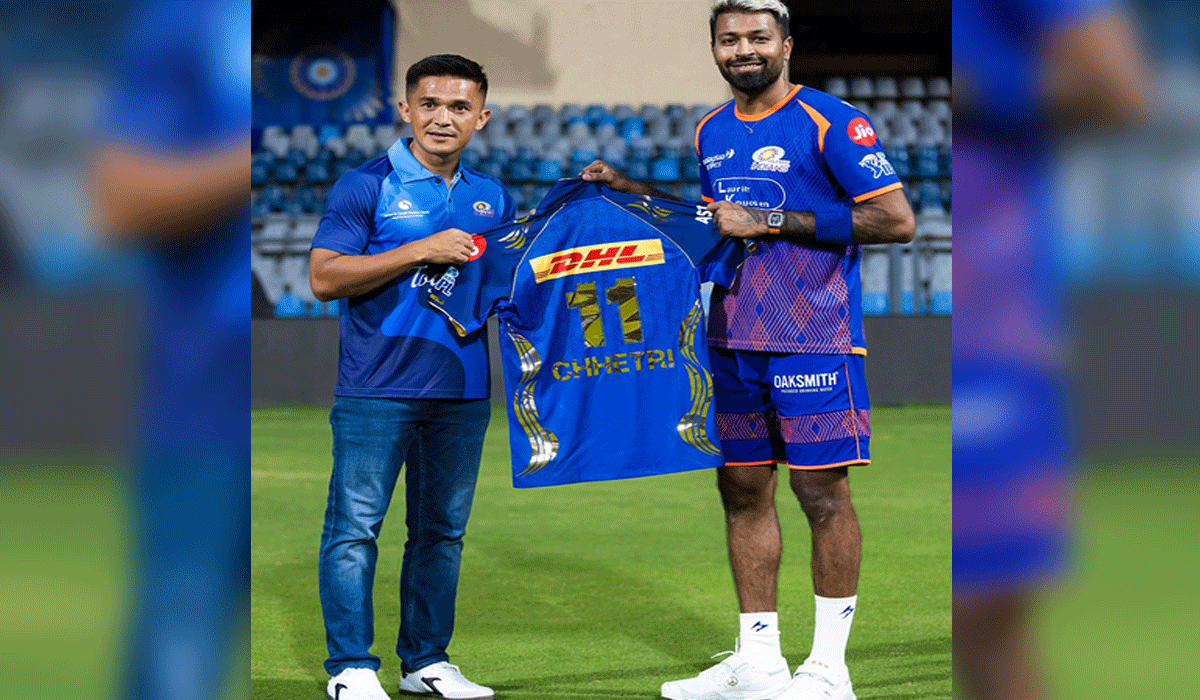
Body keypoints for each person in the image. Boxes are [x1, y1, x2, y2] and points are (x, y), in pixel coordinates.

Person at [581, 2, 914, 699]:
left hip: (813, 338)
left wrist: (771, 218)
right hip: (729, 338)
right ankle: (758, 662)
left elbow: (894, 219)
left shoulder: (831, 120)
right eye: (729, 39)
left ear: (786, 44)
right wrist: (631, 193)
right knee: (740, 490)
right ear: (714, 49)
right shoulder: (711, 129)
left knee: (819, 491)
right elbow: (713, 225)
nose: (744, 50)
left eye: (758, 37)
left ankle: (827, 670)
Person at [309, 54, 513, 700]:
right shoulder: (364, 185)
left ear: (481, 118)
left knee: (441, 534)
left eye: (458, 107)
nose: (442, 118)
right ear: (405, 110)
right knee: (355, 530)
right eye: (429, 104)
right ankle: (350, 668)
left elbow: (502, 287)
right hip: (377, 387)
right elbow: (323, 277)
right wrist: (419, 248)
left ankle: (425, 661)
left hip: (461, 390)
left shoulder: (493, 196)